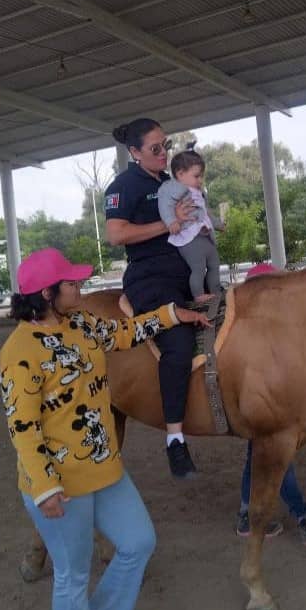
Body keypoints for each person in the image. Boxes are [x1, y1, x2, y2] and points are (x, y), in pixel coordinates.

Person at [0, 248, 209, 610]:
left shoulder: (82, 325)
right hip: (59, 484)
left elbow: (128, 331)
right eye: (71, 284)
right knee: (71, 577)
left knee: (138, 543)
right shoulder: (18, 352)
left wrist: (174, 314)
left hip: (104, 468)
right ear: (47, 294)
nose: (81, 289)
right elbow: (23, 426)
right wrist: (45, 486)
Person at [104, 118, 199, 479]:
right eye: (156, 148)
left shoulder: (170, 181)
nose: (164, 153)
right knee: (177, 342)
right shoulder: (124, 185)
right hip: (151, 279)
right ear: (134, 152)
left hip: (186, 273)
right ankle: (175, 440)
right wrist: (168, 223)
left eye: (167, 145)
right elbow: (116, 234)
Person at [234, 262, 306, 546]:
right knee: (279, 460)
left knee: (257, 453)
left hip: (262, 406)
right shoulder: (257, 333)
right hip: (266, 406)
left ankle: (246, 514)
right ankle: (304, 517)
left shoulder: (271, 330)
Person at [157, 147, 223, 302]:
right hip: (189, 237)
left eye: (201, 176)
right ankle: (199, 295)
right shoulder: (171, 188)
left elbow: (206, 213)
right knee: (198, 268)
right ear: (180, 174)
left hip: (205, 236)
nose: (200, 180)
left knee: (215, 265)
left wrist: (219, 224)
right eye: (196, 176)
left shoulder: (200, 192)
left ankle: (216, 291)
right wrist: (171, 221)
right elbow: (164, 205)